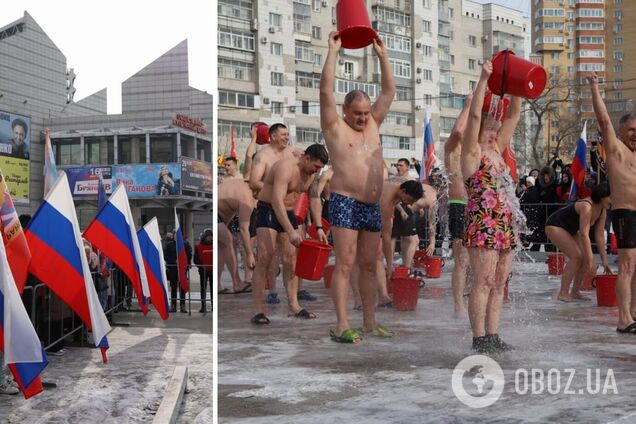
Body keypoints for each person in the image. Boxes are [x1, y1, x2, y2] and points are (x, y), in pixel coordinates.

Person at [319, 31, 395, 343]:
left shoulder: (374, 124)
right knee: (346, 263)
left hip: (371, 205)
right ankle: (340, 324)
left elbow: (389, 92)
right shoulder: (334, 127)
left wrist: (382, 55)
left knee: (369, 264)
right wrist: (333, 51)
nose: (364, 118)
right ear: (347, 111)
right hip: (345, 200)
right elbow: (325, 91)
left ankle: (369, 321)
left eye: (366, 113)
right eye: (358, 113)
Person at [461, 61, 522, 353]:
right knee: (482, 281)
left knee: (499, 282)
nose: (496, 129)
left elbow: (515, 113)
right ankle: (479, 337)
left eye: (497, 128)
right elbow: (474, 115)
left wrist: (517, 84)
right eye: (491, 128)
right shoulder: (471, 152)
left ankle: (494, 335)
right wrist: (483, 78)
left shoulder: (498, 148)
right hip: (482, 222)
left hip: (504, 223)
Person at [250, 144, 329, 324]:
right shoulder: (286, 167)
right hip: (268, 209)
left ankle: (294, 306)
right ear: (306, 158)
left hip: (289, 212)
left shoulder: (312, 173)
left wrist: (318, 227)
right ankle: (258, 310)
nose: (316, 171)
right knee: (265, 257)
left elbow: (315, 197)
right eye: (316, 167)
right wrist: (291, 231)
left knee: (291, 259)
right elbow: (277, 201)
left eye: (320, 169)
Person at [587, 72, 636, 334]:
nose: (635, 134)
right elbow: (603, 119)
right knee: (627, 266)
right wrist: (595, 87)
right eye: (631, 130)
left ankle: (634, 314)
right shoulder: (616, 149)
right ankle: (623, 318)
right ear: (621, 131)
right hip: (625, 213)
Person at [546, 183, 612, 302]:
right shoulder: (587, 206)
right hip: (555, 225)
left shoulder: (602, 211)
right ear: (602, 197)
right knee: (577, 257)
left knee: (585, 260)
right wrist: (591, 258)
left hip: (570, 229)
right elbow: (584, 234)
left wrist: (604, 260)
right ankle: (563, 293)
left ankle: (575, 291)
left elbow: (600, 236)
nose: (613, 201)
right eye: (611, 197)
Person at [444, 92, 472, 315]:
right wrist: (469, 105)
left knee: (478, 259)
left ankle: (471, 296)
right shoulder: (452, 150)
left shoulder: (475, 152)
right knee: (461, 258)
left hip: (477, 208)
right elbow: (457, 132)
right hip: (459, 204)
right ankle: (457, 304)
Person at [218, 178, 255, 293]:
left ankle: (217, 285)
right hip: (214, 209)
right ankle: (237, 283)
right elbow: (244, 229)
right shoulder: (247, 200)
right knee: (229, 240)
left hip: (217, 211)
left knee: (221, 245)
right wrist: (249, 254)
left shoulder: (244, 183)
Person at [164, 232, 187, 313]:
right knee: (173, 288)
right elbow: (166, 256)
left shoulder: (185, 244)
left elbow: (189, 254)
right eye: (174, 235)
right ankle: (173, 305)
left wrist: (182, 262)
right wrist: (174, 261)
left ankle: (182, 305)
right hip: (173, 269)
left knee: (182, 288)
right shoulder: (169, 245)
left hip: (182, 269)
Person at [194, 229, 213, 313]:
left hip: (212, 270)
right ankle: (203, 306)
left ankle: (214, 306)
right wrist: (201, 266)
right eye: (209, 237)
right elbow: (196, 259)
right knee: (203, 289)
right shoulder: (198, 247)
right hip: (203, 271)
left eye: (211, 237)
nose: (210, 238)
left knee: (213, 289)